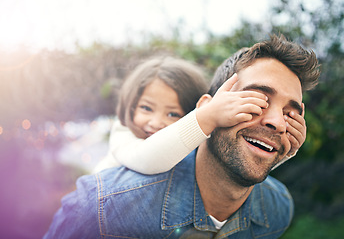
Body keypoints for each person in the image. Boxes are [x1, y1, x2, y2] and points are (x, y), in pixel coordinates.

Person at [44, 34, 320, 238]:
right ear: (205, 108)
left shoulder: (278, 211)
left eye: (290, 113)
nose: (277, 122)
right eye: (256, 100)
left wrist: (284, 151)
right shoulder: (102, 208)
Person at [92, 56, 302, 174]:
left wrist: (285, 149)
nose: (156, 122)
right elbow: (147, 160)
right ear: (130, 106)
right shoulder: (124, 134)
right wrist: (208, 117)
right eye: (146, 108)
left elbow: (240, 161)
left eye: (173, 113)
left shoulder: (187, 140)